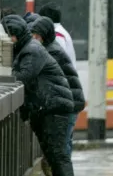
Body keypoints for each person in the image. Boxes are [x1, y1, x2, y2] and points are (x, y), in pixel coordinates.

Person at [4, 14, 78, 176]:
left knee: (58, 155)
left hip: (54, 107)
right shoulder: (28, 49)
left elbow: (22, 78)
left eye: (8, 36)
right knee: (55, 155)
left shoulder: (31, 51)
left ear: (15, 35)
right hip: (48, 107)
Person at [31, 17, 85, 162]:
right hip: (70, 101)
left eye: (37, 36)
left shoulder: (51, 52)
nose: (34, 39)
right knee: (62, 147)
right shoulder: (51, 49)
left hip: (68, 103)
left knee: (60, 150)